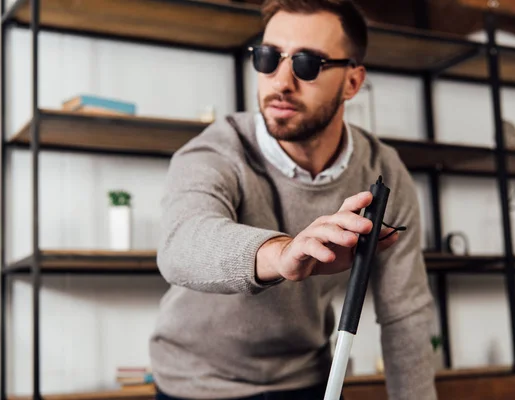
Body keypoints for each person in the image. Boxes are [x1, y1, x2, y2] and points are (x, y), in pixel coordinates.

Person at [149, 0, 437, 399]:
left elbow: (405, 314)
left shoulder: (382, 172)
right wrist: (280, 253)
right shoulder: (217, 150)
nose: (281, 81)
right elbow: (181, 244)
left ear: (352, 82)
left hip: (305, 381)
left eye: (307, 64)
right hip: (197, 384)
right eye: (268, 58)